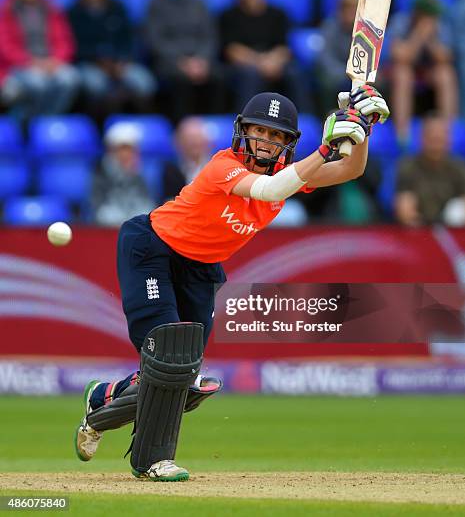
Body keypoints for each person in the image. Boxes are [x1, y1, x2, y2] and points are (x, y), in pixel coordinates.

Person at [74, 85, 390, 482]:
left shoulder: (288, 174)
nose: (266, 141)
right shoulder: (223, 166)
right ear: (243, 131)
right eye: (260, 130)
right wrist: (327, 148)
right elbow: (271, 190)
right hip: (152, 251)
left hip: (201, 268)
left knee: (185, 378)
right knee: (168, 357)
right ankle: (153, 462)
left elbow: (351, 170)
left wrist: (362, 127)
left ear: (287, 144)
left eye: (276, 136)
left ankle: (102, 400)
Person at [68, 0, 156, 118]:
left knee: (144, 82)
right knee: (96, 85)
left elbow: (129, 39)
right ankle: (98, 129)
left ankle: (140, 126)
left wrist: (121, 61)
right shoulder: (72, 12)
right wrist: (99, 61)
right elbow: (72, 48)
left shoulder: (118, 7)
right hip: (88, 64)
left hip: (120, 63)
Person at [143, 0, 223, 122]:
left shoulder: (200, 3)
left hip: (200, 62)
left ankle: (214, 130)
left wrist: (201, 60)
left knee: (220, 77)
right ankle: (182, 130)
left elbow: (209, 37)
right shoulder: (156, 3)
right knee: (180, 81)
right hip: (170, 63)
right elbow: (155, 41)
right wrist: (183, 62)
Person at [219, 0, 307, 113]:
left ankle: (302, 120)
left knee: (294, 73)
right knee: (250, 74)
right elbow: (231, 50)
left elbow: (284, 47)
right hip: (243, 65)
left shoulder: (278, 14)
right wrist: (259, 63)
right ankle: (245, 121)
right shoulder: (227, 15)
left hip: (272, 61)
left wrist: (273, 61)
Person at [0, 0, 79, 121]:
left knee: (71, 78)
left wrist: (55, 61)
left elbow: (65, 42)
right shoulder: (6, 9)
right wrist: (32, 62)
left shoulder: (52, 7)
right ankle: (30, 123)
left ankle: (46, 122)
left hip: (50, 63)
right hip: (18, 67)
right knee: (37, 84)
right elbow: (5, 47)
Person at [389, 0, 458, 142]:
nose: (432, 19)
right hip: (403, 75)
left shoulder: (440, 25)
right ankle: (402, 134)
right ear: (418, 14)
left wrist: (430, 40)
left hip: (428, 75)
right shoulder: (399, 22)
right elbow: (401, 56)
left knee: (445, 74)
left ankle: (447, 133)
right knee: (403, 74)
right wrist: (419, 36)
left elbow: (445, 58)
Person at [395, 115, 465, 227]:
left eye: (439, 139)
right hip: (420, 228)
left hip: (452, 228)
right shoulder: (408, 167)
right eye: (432, 138)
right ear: (422, 139)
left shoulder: (458, 168)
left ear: (448, 140)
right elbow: (404, 207)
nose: (435, 145)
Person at [90, 122, 155, 226]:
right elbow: (97, 203)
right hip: (111, 216)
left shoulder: (142, 172)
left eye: (129, 149)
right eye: (121, 149)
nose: (125, 154)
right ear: (111, 150)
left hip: (135, 213)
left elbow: (147, 200)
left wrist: (133, 174)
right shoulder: (100, 171)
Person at [316, 0, 359, 117]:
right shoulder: (329, 27)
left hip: (357, 77)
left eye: (354, 9)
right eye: (347, 9)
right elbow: (325, 59)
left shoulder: (364, 31)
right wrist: (348, 73)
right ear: (340, 10)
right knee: (327, 82)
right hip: (338, 76)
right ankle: (329, 117)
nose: (350, 13)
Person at [162, 116, 212, 201]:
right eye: (190, 139)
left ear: (207, 141)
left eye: (198, 137)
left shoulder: (216, 165)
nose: (195, 142)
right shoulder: (171, 170)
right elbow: (170, 202)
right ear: (179, 142)